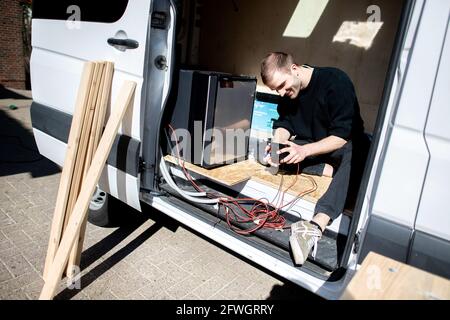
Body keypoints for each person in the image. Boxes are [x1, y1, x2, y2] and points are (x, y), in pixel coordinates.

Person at [261, 52, 370, 265]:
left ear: (294, 68)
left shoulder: (336, 81)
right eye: (276, 90)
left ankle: (314, 226)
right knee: (279, 152)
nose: (282, 93)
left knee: (358, 153)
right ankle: (330, 170)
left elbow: (341, 136)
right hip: (314, 145)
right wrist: (276, 145)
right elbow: (285, 124)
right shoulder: (287, 94)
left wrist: (304, 151)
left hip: (343, 144)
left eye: (283, 86)